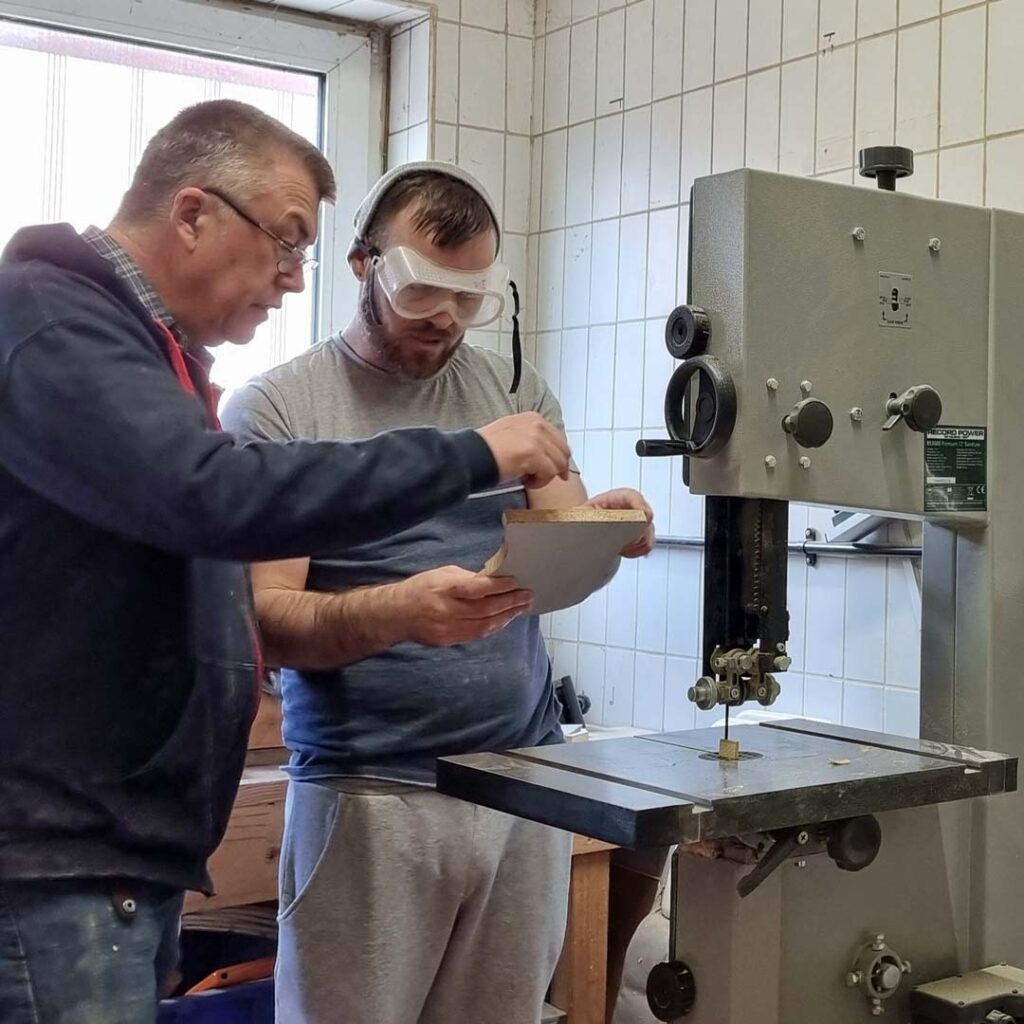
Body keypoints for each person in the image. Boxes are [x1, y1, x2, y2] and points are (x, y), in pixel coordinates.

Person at [0, 107, 571, 1024]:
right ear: (192, 213)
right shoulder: (55, 320)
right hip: (72, 852)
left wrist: (594, 526)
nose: (287, 277)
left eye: (469, 300)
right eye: (285, 241)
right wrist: (463, 462)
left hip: (122, 852)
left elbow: (187, 527)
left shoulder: (154, 356)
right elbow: (216, 501)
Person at [222, 161, 655, 1024]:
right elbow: (263, 622)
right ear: (362, 264)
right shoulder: (278, 410)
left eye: (470, 297)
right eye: (424, 291)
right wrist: (399, 610)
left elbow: (557, 565)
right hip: (369, 793)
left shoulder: (515, 393)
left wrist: (610, 529)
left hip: (521, 780)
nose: (447, 319)